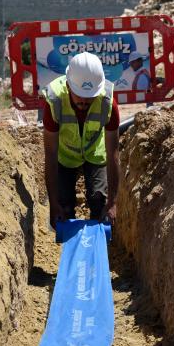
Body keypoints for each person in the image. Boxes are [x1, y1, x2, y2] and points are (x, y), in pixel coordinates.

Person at [41, 52, 120, 230]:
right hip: (65, 156)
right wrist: (53, 203)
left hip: (94, 152)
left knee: (99, 201)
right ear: (68, 85)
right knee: (64, 208)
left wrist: (113, 202)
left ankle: (100, 240)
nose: (84, 101)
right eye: (79, 95)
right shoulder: (55, 101)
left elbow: (113, 153)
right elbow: (51, 153)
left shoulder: (107, 102)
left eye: (90, 96)